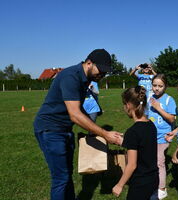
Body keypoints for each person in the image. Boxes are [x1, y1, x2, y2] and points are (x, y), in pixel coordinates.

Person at [33, 49, 122, 200]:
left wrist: (94, 131)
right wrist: (104, 134)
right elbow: (74, 114)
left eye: (106, 72)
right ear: (89, 63)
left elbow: (79, 108)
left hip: (64, 130)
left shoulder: (85, 79)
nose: (102, 75)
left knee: (67, 173)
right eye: (101, 70)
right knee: (60, 178)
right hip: (50, 130)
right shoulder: (70, 77)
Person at [112, 86, 159, 199]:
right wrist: (125, 142)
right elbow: (144, 146)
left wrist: (119, 185)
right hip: (153, 178)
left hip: (140, 184)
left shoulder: (132, 132)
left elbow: (132, 165)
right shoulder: (151, 125)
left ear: (128, 105)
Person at [148, 74, 177, 199]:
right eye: (154, 85)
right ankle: (152, 182)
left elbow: (172, 119)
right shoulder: (150, 98)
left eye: (160, 86)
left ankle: (162, 188)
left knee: (160, 162)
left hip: (163, 137)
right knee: (151, 161)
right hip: (150, 136)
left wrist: (158, 108)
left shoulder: (168, 100)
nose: (157, 88)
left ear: (165, 87)